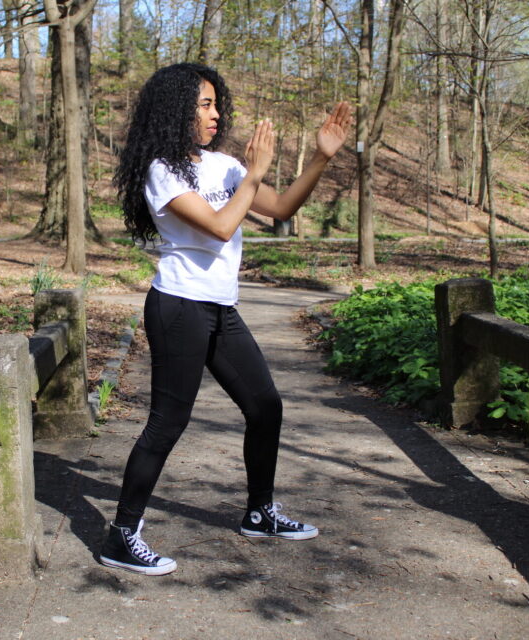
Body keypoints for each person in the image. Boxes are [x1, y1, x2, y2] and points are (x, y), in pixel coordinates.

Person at [99, 63, 352, 576]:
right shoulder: (161, 170)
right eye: (204, 105)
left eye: (217, 104)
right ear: (177, 110)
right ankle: (122, 535)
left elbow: (279, 208)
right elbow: (218, 227)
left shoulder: (224, 165)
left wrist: (320, 160)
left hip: (219, 309)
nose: (216, 115)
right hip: (178, 308)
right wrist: (254, 173)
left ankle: (260, 512)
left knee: (265, 406)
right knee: (168, 422)